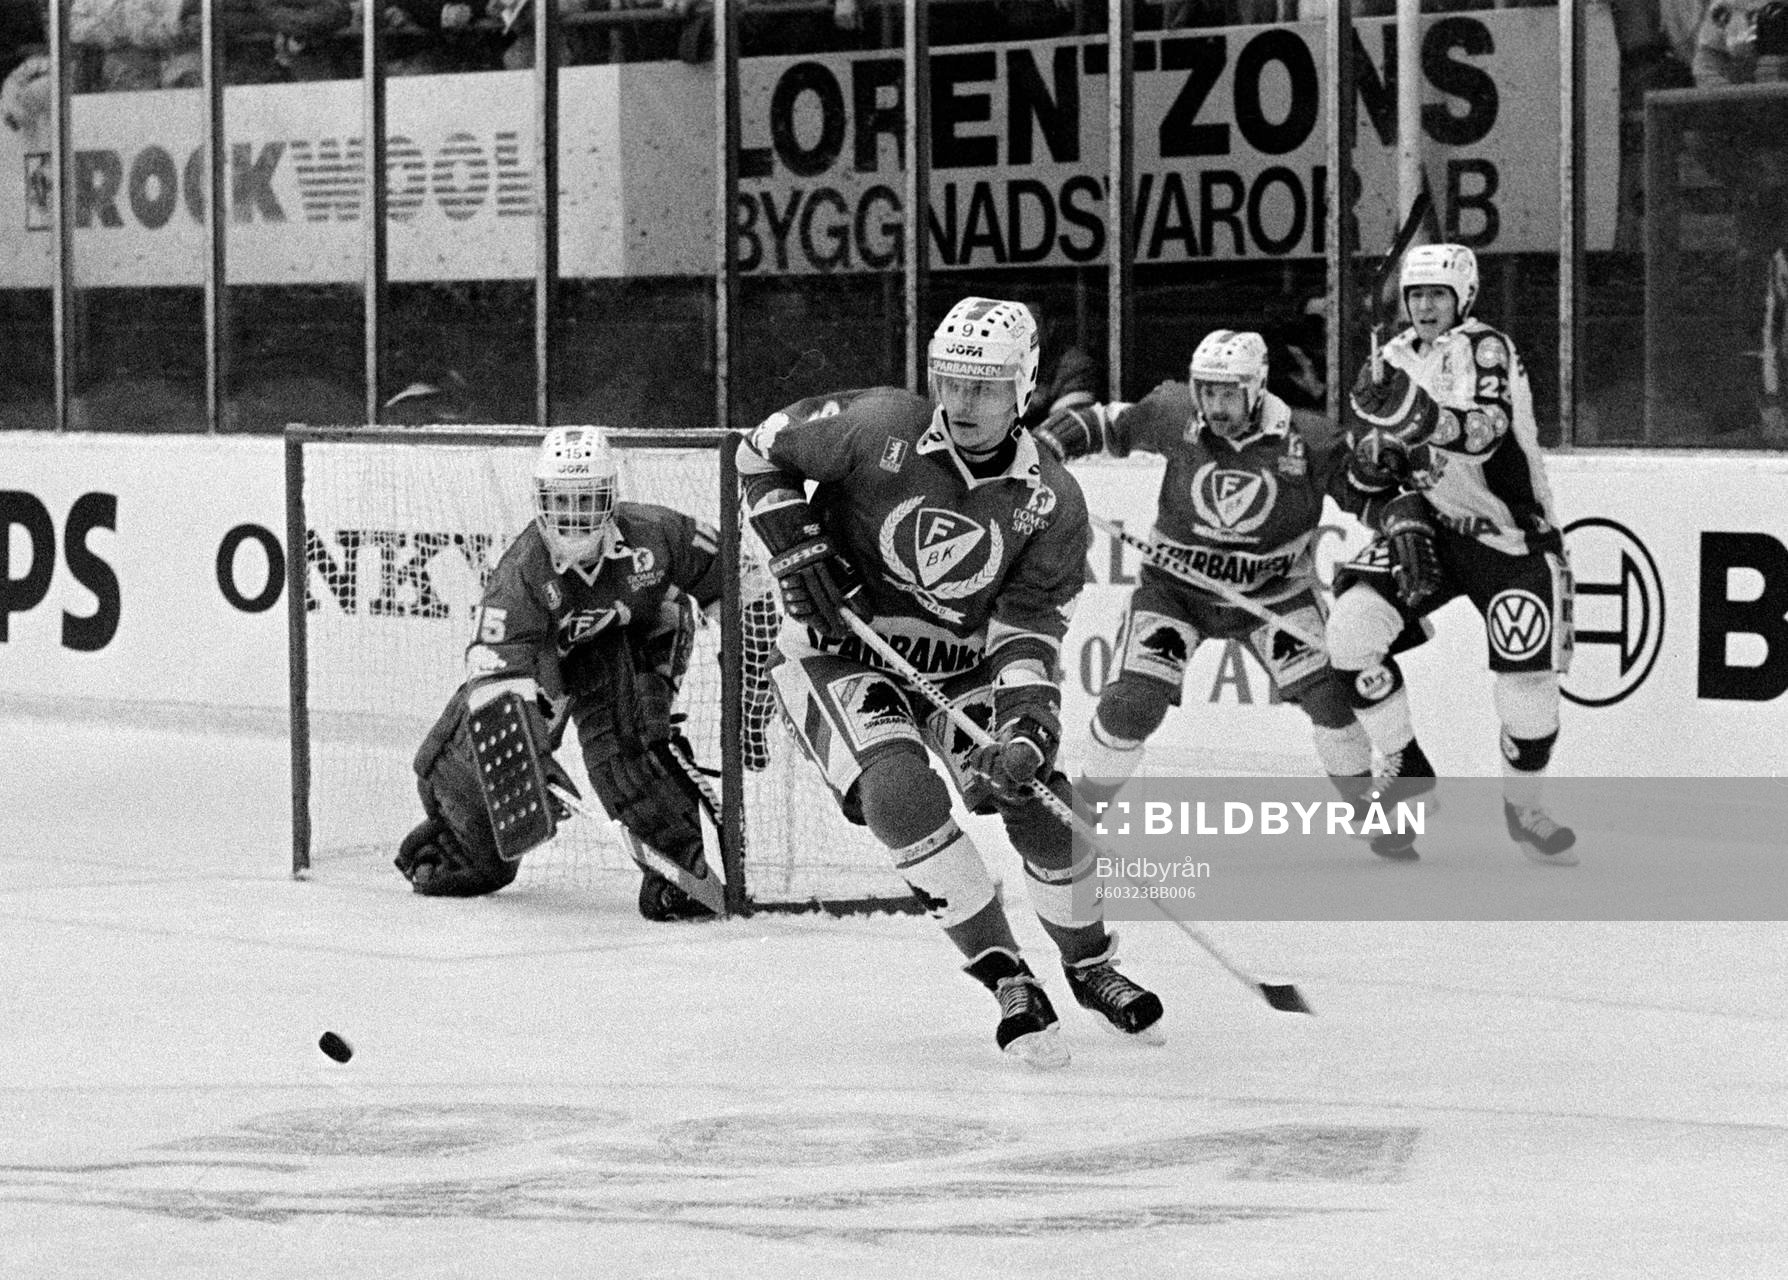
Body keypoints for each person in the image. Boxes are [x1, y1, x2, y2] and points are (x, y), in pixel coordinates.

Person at [735, 296, 1163, 1068]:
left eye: (986, 386)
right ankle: (1005, 974)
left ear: (1023, 390)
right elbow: (758, 449)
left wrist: (1027, 725)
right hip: (838, 650)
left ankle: (1090, 962)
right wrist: (793, 540)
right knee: (900, 794)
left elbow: (1027, 625)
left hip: (960, 665)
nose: (963, 402)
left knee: (1035, 802)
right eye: (952, 382)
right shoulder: (876, 426)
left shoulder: (1052, 500)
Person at [1034, 329, 1420, 859]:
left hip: (1274, 595)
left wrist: (1403, 523)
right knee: (1133, 705)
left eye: (1228, 393)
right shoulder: (1175, 411)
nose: (1214, 405)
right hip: (1178, 591)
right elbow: (1106, 424)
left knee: (1331, 699)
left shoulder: (1308, 439)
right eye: (1206, 391)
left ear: (1257, 389)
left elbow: (1369, 497)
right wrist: (1045, 447)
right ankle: (1083, 814)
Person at [395, 426, 727, 919]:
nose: (574, 516)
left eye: (587, 499)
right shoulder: (522, 575)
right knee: (478, 819)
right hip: (543, 673)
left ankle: (690, 858)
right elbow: (491, 675)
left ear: (611, 498)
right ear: (540, 501)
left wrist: (753, 669)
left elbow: (737, 584)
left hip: (623, 648)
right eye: (561, 501)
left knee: (630, 751)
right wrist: (521, 753)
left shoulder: (658, 535)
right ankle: (456, 834)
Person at [1329, 244, 1580, 866]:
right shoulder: (1388, 359)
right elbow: (1361, 473)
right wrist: (1374, 463)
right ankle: (1407, 768)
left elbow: (1485, 431)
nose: (1424, 306)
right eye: (1415, 296)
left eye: (1437, 295)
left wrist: (1412, 418)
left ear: (1463, 298)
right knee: (1350, 634)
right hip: (1434, 528)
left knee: (1528, 690)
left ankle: (1526, 811)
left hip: (1511, 536)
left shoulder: (1487, 347)